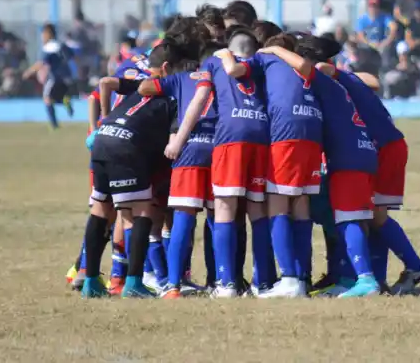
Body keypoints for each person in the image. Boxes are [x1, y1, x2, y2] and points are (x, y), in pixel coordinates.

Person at [263, 37, 381, 297]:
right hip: (359, 152)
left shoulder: (322, 76)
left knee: (347, 217)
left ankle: (363, 278)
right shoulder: (335, 81)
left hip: (347, 157)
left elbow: (305, 68)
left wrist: (274, 50)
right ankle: (346, 276)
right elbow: (372, 83)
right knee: (346, 217)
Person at [166, 26, 273, 298]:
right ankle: (264, 283)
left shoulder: (214, 61)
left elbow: (199, 101)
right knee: (258, 211)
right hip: (261, 137)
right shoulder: (260, 65)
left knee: (224, 208)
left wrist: (178, 139)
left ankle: (225, 284)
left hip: (230, 137)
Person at [219, 32, 324, 298]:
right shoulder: (301, 69)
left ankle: (288, 277)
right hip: (312, 134)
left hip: (286, 134)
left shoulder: (266, 59)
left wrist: (222, 54)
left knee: (276, 202)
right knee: (300, 204)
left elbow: (234, 70)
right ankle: (301, 278)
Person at [80, 43, 184, 299]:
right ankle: (134, 283)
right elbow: (173, 139)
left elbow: (106, 82)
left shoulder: (139, 85)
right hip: (126, 146)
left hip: (103, 137)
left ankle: (90, 281)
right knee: (143, 211)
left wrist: (103, 121)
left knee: (101, 210)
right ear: (170, 68)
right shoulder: (174, 96)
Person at [320, 61, 420, 295]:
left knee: (374, 214)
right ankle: (379, 278)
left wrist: (336, 72)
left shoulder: (333, 78)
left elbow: (372, 81)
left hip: (384, 147)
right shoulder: (343, 80)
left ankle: (414, 266)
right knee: (371, 214)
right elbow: (373, 81)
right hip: (380, 146)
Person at [138, 40, 218, 298]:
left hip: (190, 150)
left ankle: (173, 285)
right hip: (220, 149)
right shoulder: (224, 76)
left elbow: (145, 88)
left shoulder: (181, 78)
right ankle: (219, 281)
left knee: (184, 216)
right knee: (219, 217)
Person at [22, 23, 75, 129]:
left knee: (47, 98)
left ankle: (54, 125)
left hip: (55, 77)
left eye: (43, 34)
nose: (42, 36)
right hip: (67, 76)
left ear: (48, 34)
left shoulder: (49, 47)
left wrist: (29, 71)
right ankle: (65, 101)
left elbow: (41, 63)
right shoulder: (61, 45)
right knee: (57, 97)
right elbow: (72, 56)